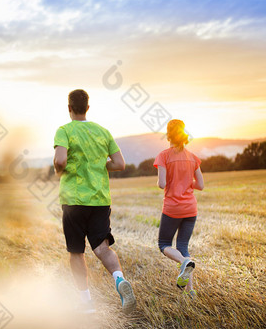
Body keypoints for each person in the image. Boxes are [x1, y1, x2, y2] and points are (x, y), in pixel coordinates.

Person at [53, 89, 136, 314]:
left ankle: (85, 303)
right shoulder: (102, 132)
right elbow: (119, 164)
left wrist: (59, 169)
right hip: (100, 200)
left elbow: (60, 160)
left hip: (74, 201)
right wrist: (99, 165)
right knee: (102, 247)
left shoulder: (64, 131)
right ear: (88, 108)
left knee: (77, 252)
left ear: (69, 108)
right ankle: (119, 280)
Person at [153, 119, 204, 296]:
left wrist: (171, 181)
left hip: (173, 208)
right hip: (190, 208)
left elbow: (162, 183)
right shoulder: (193, 157)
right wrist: (186, 181)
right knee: (183, 246)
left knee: (164, 244)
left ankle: (183, 263)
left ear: (168, 135)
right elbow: (201, 185)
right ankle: (191, 292)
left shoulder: (163, 156)